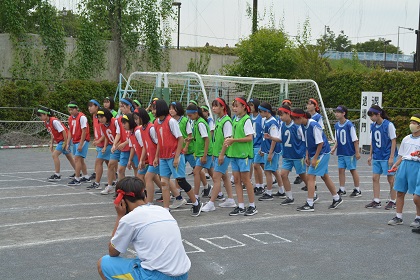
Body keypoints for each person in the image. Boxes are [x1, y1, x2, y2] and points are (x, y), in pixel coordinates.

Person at [97, 177, 190, 280]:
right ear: (144, 194)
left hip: (157, 276)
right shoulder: (162, 210)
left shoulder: (129, 219)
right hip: (182, 274)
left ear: (121, 200)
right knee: (140, 259)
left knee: (103, 263)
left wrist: (120, 215)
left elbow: (113, 252)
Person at [153, 100, 203, 216]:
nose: (153, 111)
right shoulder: (156, 122)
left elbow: (180, 138)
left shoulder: (171, 121)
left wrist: (176, 157)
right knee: (164, 183)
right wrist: (156, 156)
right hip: (163, 157)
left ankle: (196, 203)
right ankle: (166, 208)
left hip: (173, 156)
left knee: (181, 181)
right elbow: (160, 142)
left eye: (154, 108)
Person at [292, 108, 343, 211]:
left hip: (322, 153)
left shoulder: (313, 125)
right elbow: (306, 143)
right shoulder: (302, 125)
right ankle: (336, 198)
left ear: (301, 117)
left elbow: (321, 143)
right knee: (324, 176)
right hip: (315, 153)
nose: (293, 122)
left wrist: (314, 158)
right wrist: (307, 156)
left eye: (294, 119)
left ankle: (310, 203)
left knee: (310, 177)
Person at [202, 98, 237, 212]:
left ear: (223, 107)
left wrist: (221, 155)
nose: (214, 108)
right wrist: (215, 153)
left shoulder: (226, 121)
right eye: (213, 106)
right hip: (218, 154)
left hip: (224, 154)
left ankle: (211, 203)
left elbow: (227, 140)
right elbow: (217, 139)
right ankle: (231, 200)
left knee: (216, 178)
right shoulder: (219, 120)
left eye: (216, 106)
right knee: (224, 176)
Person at [225, 97, 257, 216]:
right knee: (237, 180)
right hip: (235, 154)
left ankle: (252, 205)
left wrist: (234, 140)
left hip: (244, 154)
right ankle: (241, 205)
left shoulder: (246, 120)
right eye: (233, 106)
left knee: (246, 180)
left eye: (237, 105)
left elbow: (250, 137)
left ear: (244, 107)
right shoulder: (235, 119)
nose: (234, 108)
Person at [387, 115, 420, 227]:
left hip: (417, 166)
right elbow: (402, 156)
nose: (412, 125)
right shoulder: (406, 139)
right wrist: (395, 166)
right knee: (400, 192)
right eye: (411, 122)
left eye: (414, 123)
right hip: (404, 165)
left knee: (417, 194)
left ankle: (418, 218)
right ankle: (398, 217)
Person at [366, 105, 398, 209]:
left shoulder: (388, 125)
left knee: (391, 179)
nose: (371, 118)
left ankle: (393, 201)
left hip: (387, 155)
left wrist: (391, 157)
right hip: (377, 156)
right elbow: (372, 141)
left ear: (378, 114)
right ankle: (376, 200)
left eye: (372, 115)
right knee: (375, 177)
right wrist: (370, 155)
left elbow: (393, 140)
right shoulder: (373, 126)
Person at [277, 105, 308, 206]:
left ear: (288, 113)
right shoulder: (282, 125)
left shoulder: (297, 126)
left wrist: (305, 153)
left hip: (297, 155)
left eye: (282, 115)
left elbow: (304, 140)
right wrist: (271, 137)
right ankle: (289, 197)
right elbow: (281, 139)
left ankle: (313, 192)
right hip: (287, 155)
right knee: (283, 175)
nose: (281, 118)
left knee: (302, 175)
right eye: (279, 116)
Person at [185, 104, 214, 203]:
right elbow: (200, 137)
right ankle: (218, 193)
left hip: (204, 153)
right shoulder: (198, 122)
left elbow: (206, 139)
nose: (189, 117)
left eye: (190, 115)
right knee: (212, 173)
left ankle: (196, 196)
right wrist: (191, 138)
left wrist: (205, 155)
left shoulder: (200, 123)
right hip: (201, 153)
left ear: (196, 113)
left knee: (196, 172)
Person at [330, 105, 361, 198]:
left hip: (349, 152)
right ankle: (342, 189)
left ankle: (357, 189)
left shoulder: (349, 125)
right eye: (336, 112)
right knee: (341, 170)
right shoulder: (336, 125)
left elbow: (355, 140)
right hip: (341, 152)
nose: (336, 114)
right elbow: (337, 140)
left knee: (352, 170)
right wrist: (334, 148)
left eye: (338, 112)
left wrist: (357, 152)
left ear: (344, 113)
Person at [37, 107, 75, 181]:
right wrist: (51, 144)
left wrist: (65, 142)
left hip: (65, 139)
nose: (40, 117)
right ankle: (78, 172)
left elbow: (63, 131)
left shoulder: (54, 121)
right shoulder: (46, 123)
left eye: (40, 116)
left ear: (45, 115)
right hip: (62, 140)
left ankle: (57, 175)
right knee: (69, 156)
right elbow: (52, 133)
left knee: (55, 155)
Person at [258, 102, 285, 201]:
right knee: (274, 170)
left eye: (260, 111)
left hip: (272, 150)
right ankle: (281, 190)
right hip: (268, 149)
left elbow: (274, 139)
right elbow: (265, 137)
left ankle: (269, 193)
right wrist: (262, 149)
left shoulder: (272, 123)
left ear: (266, 111)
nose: (259, 113)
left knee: (268, 171)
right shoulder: (267, 120)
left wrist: (270, 153)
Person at [136, 108, 163, 204]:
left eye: (136, 119)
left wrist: (156, 157)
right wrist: (142, 160)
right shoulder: (141, 129)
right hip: (152, 158)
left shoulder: (151, 128)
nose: (135, 121)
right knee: (162, 179)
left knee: (150, 177)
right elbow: (145, 146)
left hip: (158, 158)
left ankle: (149, 202)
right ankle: (178, 196)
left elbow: (159, 143)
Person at [87, 100, 110, 190]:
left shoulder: (101, 118)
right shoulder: (94, 116)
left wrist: (100, 141)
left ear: (97, 107)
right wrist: (96, 139)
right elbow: (97, 130)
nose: (89, 108)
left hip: (105, 143)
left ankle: (97, 183)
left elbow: (106, 132)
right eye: (88, 106)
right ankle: (114, 181)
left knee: (98, 162)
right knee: (109, 163)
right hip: (100, 143)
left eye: (91, 106)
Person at [67, 101, 91, 186]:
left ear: (76, 109)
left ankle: (77, 178)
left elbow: (84, 131)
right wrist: (68, 143)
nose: (70, 111)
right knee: (80, 160)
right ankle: (86, 176)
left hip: (82, 140)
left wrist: (81, 144)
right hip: (75, 140)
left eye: (72, 109)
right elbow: (70, 131)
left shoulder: (82, 117)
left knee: (77, 158)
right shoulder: (70, 118)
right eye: (69, 110)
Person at [97, 108, 118, 194]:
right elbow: (106, 136)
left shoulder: (115, 122)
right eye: (98, 117)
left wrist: (116, 144)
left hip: (122, 146)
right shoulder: (102, 125)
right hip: (114, 146)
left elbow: (120, 134)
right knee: (110, 165)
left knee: (134, 166)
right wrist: (105, 147)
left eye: (102, 117)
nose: (100, 119)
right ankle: (110, 186)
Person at [248, 98, 265, 195]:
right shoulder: (249, 117)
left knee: (256, 165)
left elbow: (263, 133)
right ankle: (258, 185)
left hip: (259, 144)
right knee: (258, 166)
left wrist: (263, 147)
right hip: (252, 145)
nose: (250, 107)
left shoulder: (261, 118)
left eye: (251, 105)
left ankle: (261, 185)